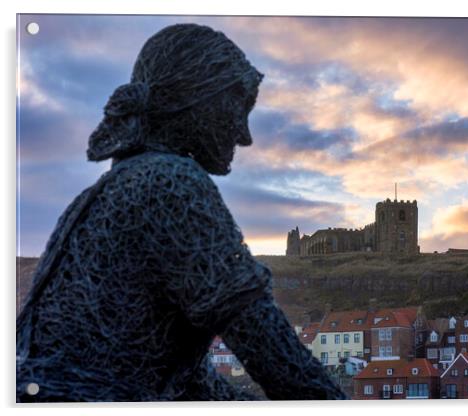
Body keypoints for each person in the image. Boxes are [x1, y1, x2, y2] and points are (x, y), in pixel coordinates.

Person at [17, 23, 347, 402]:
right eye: (237, 108)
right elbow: (268, 348)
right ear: (196, 101)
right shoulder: (169, 183)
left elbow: (186, 381)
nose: (244, 134)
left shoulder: (104, 194)